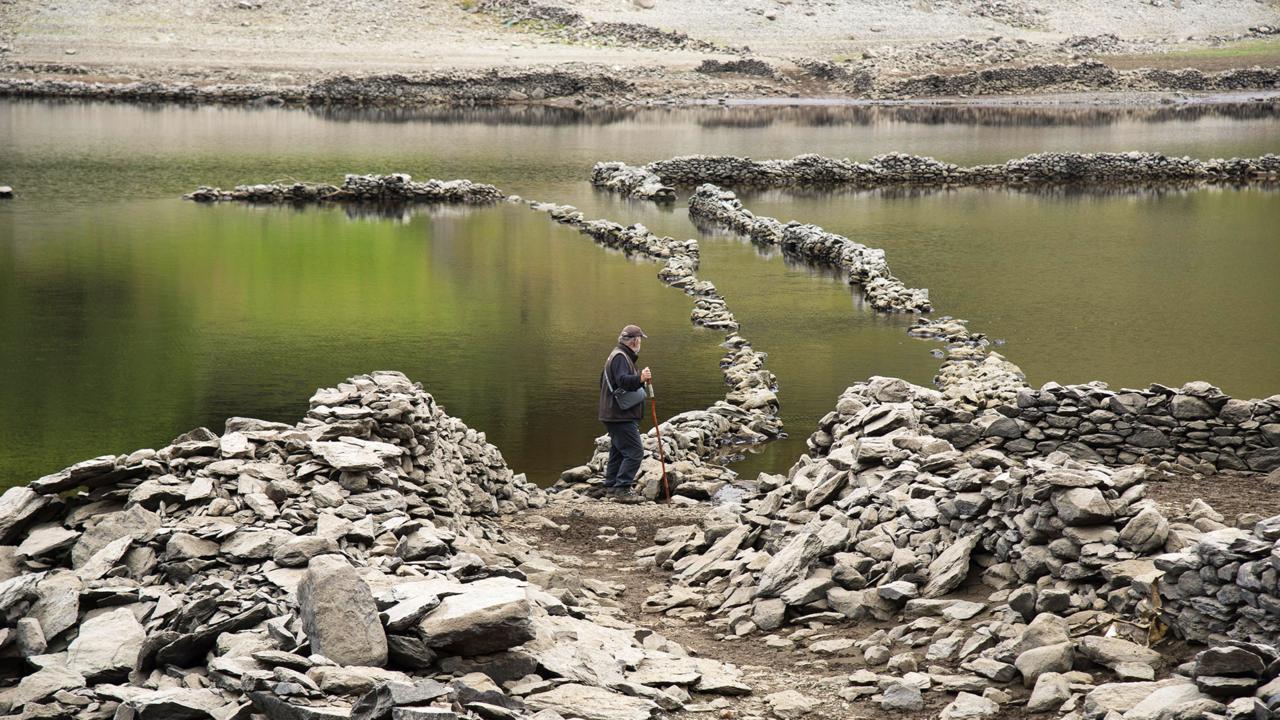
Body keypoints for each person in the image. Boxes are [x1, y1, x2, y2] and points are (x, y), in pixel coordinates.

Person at [598, 324, 652, 502]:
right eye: (640, 340)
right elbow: (622, 381)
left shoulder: (616, 354)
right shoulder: (621, 357)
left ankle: (611, 486)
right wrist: (640, 378)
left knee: (618, 451)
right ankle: (622, 488)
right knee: (635, 452)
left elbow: (603, 382)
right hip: (619, 415)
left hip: (612, 413)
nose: (640, 343)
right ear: (635, 341)